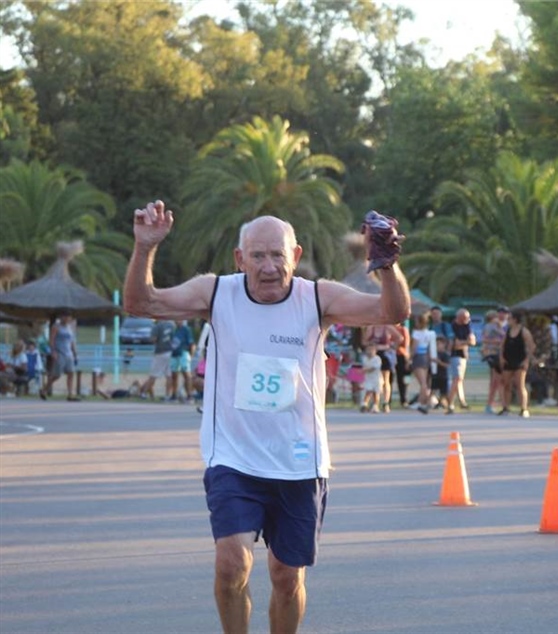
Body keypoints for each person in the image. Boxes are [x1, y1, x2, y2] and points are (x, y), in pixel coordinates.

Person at [123, 200, 410, 634]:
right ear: (240, 259)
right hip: (233, 458)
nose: (269, 266)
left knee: (286, 577)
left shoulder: (318, 298)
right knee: (231, 565)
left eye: (278, 255)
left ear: (295, 255)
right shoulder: (216, 293)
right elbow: (141, 303)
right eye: (258, 256)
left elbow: (393, 312)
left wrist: (386, 265)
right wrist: (145, 247)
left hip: (299, 461)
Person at [498, 311, 535, 418]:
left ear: (515, 319)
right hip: (508, 360)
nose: (508, 320)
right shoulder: (508, 331)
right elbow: (502, 346)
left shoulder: (524, 331)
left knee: (520, 385)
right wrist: (501, 357)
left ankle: (524, 408)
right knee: (506, 384)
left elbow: (532, 346)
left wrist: (527, 360)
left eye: (510, 318)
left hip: (520, 361)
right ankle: (506, 407)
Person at [361, 323, 402, 413]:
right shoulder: (371, 328)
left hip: (385, 355)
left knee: (385, 380)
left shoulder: (388, 327)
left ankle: (385, 403)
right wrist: (371, 345)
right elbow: (364, 341)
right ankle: (374, 403)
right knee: (373, 380)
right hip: (373, 356)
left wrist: (391, 347)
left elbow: (400, 338)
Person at [40, 312, 80, 401]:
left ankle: (70, 394)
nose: (66, 319)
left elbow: (72, 342)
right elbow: (52, 340)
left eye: (68, 317)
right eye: (65, 317)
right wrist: (53, 351)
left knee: (71, 373)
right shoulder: (56, 327)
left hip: (68, 353)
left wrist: (75, 354)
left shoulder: (70, 328)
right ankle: (44, 389)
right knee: (56, 375)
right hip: (59, 352)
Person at [446, 308, 476, 414]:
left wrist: (464, 342)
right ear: (459, 317)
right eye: (465, 318)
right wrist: (466, 342)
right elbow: (455, 344)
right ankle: (450, 403)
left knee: (459, 379)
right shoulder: (452, 327)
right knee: (457, 378)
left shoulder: (467, 326)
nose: (468, 320)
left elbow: (473, 341)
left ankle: (462, 402)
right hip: (454, 355)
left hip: (463, 356)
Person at [139, 319, 175, 399]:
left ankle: (144, 393)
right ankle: (167, 395)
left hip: (160, 352)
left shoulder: (157, 326)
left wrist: (154, 340)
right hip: (170, 352)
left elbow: (153, 339)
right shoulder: (171, 325)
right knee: (169, 375)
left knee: (153, 374)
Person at [409, 312, 437, 414]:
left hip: (418, 357)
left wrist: (409, 358)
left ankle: (421, 402)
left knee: (423, 383)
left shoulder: (416, 333)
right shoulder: (430, 333)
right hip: (425, 357)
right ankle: (425, 401)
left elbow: (414, 348)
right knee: (424, 382)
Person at [480, 309, 505, 414]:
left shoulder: (489, 327)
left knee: (495, 381)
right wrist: (498, 341)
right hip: (495, 354)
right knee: (498, 381)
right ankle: (503, 404)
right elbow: (503, 337)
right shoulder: (492, 326)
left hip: (492, 354)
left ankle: (490, 404)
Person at [169, 319, 195, 402]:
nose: (177, 321)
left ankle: (190, 395)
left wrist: (191, 355)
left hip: (183, 353)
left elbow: (191, 343)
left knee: (186, 374)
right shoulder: (174, 330)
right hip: (174, 354)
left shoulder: (186, 330)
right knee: (174, 375)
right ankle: (174, 394)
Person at [360, 343, 382, 413]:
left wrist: (364, 370)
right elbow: (363, 366)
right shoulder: (365, 358)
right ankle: (364, 404)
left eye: (371, 350)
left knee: (376, 393)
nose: (369, 351)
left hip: (376, 379)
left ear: (375, 351)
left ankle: (375, 406)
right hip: (368, 379)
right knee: (368, 391)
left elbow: (373, 368)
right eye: (368, 350)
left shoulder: (377, 359)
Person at [429, 335, 450, 409]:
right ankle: (428, 405)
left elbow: (447, 365)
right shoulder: (434, 354)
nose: (437, 346)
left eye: (438, 344)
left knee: (444, 393)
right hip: (435, 376)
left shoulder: (445, 354)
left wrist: (439, 362)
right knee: (432, 391)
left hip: (443, 377)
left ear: (444, 344)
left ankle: (448, 405)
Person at [393, 320, 411, 407]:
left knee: (402, 379)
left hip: (400, 355)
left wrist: (407, 358)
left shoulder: (402, 329)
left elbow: (406, 345)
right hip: (390, 355)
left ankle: (403, 399)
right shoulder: (388, 328)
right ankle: (387, 399)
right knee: (389, 378)